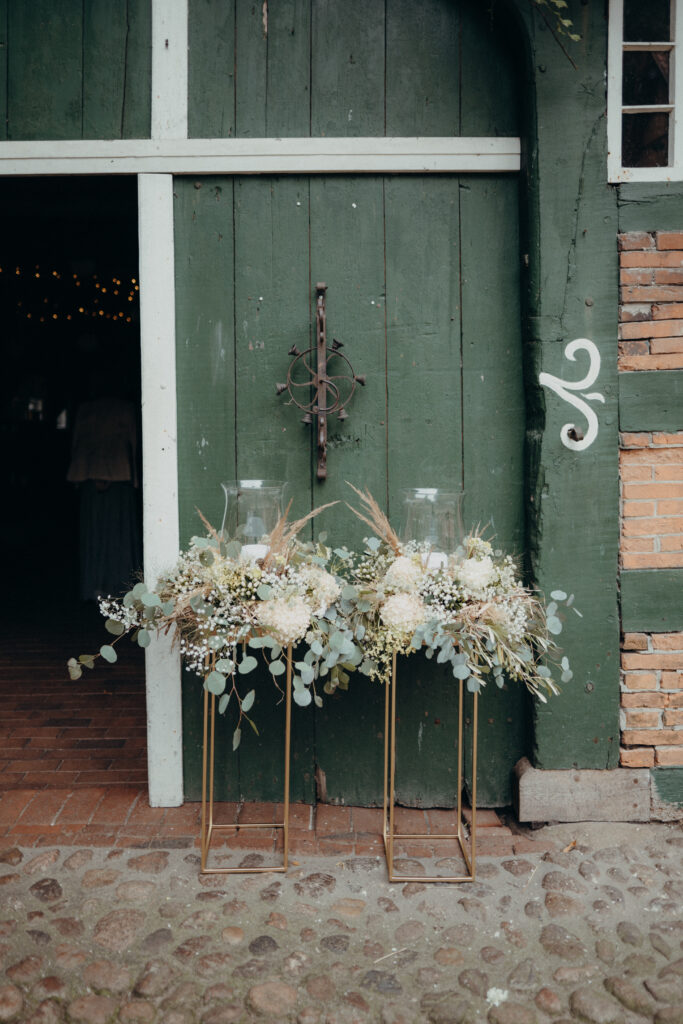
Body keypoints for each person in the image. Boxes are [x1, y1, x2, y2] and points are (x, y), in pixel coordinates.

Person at [67, 371, 141, 601]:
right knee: (118, 535)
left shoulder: (87, 410)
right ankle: (121, 586)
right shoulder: (126, 408)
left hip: (93, 475)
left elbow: (77, 442)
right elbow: (135, 444)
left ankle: (97, 587)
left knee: (96, 536)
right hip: (120, 476)